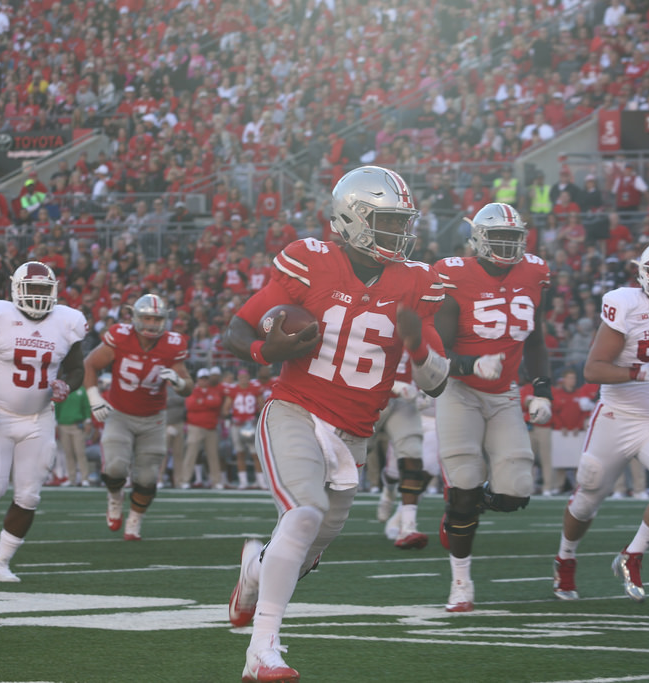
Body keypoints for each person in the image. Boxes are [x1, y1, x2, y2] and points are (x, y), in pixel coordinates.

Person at [222, 165, 449, 682]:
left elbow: (436, 381)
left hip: (354, 434)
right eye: (388, 222)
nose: (399, 233)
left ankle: (255, 570)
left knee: (306, 551)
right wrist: (266, 349)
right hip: (295, 408)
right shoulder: (310, 262)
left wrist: (418, 347)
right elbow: (237, 329)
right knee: (303, 514)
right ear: (353, 219)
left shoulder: (417, 281)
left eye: (401, 222)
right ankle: (262, 652)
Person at [553, 240, 649, 603]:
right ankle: (565, 558)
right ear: (644, 276)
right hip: (616, 416)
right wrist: (638, 373)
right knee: (587, 498)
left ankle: (632, 555)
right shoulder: (625, 303)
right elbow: (592, 369)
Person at [432, 202, 553, 613]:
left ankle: (463, 505)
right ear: (479, 238)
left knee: (516, 491)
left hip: (503, 394)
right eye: (498, 236)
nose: (506, 244)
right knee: (464, 479)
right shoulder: (453, 274)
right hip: (459, 389)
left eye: (513, 237)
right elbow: (435, 351)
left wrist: (542, 389)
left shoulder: (535, 273)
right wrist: (470, 364)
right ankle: (461, 583)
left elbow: (535, 337)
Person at [0, 261, 87, 582]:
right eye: (33, 289)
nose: (39, 296)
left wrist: (67, 385)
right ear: (16, 290)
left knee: (29, 495)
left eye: (44, 290)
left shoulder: (67, 322)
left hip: (39, 419)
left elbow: (77, 369)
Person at [83, 294, 193, 539]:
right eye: (146, 318)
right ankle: (114, 497)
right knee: (114, 467)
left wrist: (178, 382)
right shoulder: (120, 336)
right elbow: (89, 364)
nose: (152, 324)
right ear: (134, 317)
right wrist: (94, 398)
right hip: (120, 413)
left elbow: (188, 386)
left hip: (153, 418)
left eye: (157, 319)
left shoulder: (173, 344)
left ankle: (134, 519)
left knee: (147, 477)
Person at [374, 350, 431, 549]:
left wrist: (427, 388)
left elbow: (432, 363)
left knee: (413, 457)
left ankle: (408, 527)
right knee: (345, 459)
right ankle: (388, 492)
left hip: (404, 400)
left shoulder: (419, 324)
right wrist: (394, 384)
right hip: (367, 395)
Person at [222, 368, 266, 490]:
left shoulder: (255, 389)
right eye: (241, 377)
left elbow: (261, 405)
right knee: (240, 453)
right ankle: (243, 482)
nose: (243, 380)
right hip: (237, 425)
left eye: (245, 377)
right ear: (238, 378)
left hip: (250, 425)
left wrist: (256, 418)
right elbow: (226, 408)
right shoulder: (233, 390)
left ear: (249, 378)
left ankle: (261, 481)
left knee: (255, 453)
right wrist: (230, 417)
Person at [54, 385, 92, 487]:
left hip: (77, 425)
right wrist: (56, 423)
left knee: (80, 452)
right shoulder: (62, 390)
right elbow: (57, 406)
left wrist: (88, 421)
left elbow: (86, 406)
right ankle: (71, 478)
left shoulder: (81, 390)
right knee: (68, 453)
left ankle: (84, 478)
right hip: (63, 425)